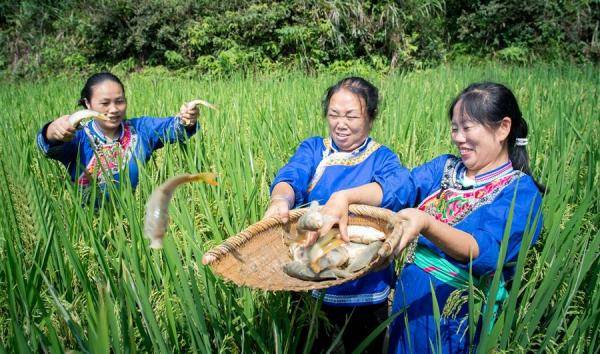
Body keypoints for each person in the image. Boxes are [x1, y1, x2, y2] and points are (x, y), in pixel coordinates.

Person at [317, 82, 544, 352]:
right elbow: (400, 186)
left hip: (456, 318)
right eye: (455, 128)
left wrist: (426, 224)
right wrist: (345, 196)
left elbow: (484, 249)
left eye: (467, 127)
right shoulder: (444, 168)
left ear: (503, 128)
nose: (458, 138)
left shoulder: (520, 192)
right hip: (409, 303)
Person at [263, 77, 412, 352]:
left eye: (351, 116)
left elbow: (400, 187)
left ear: (370, 118)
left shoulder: (382, 158)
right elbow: (291, 176)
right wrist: (279, 199)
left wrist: (345, 197)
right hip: (311, 287)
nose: (340, 124)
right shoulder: (313, 149)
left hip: (364, 293)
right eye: (334, 115)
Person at [36, 72, 201, 202]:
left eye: (120, 101)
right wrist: (52, 130)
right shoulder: (78, 136)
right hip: (88, 226)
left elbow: (172, 127)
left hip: (133, 220)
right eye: (105, 103)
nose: (114, 109)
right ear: (88, 104)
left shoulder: (140, 130)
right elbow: (49, 143)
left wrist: (187, 118)